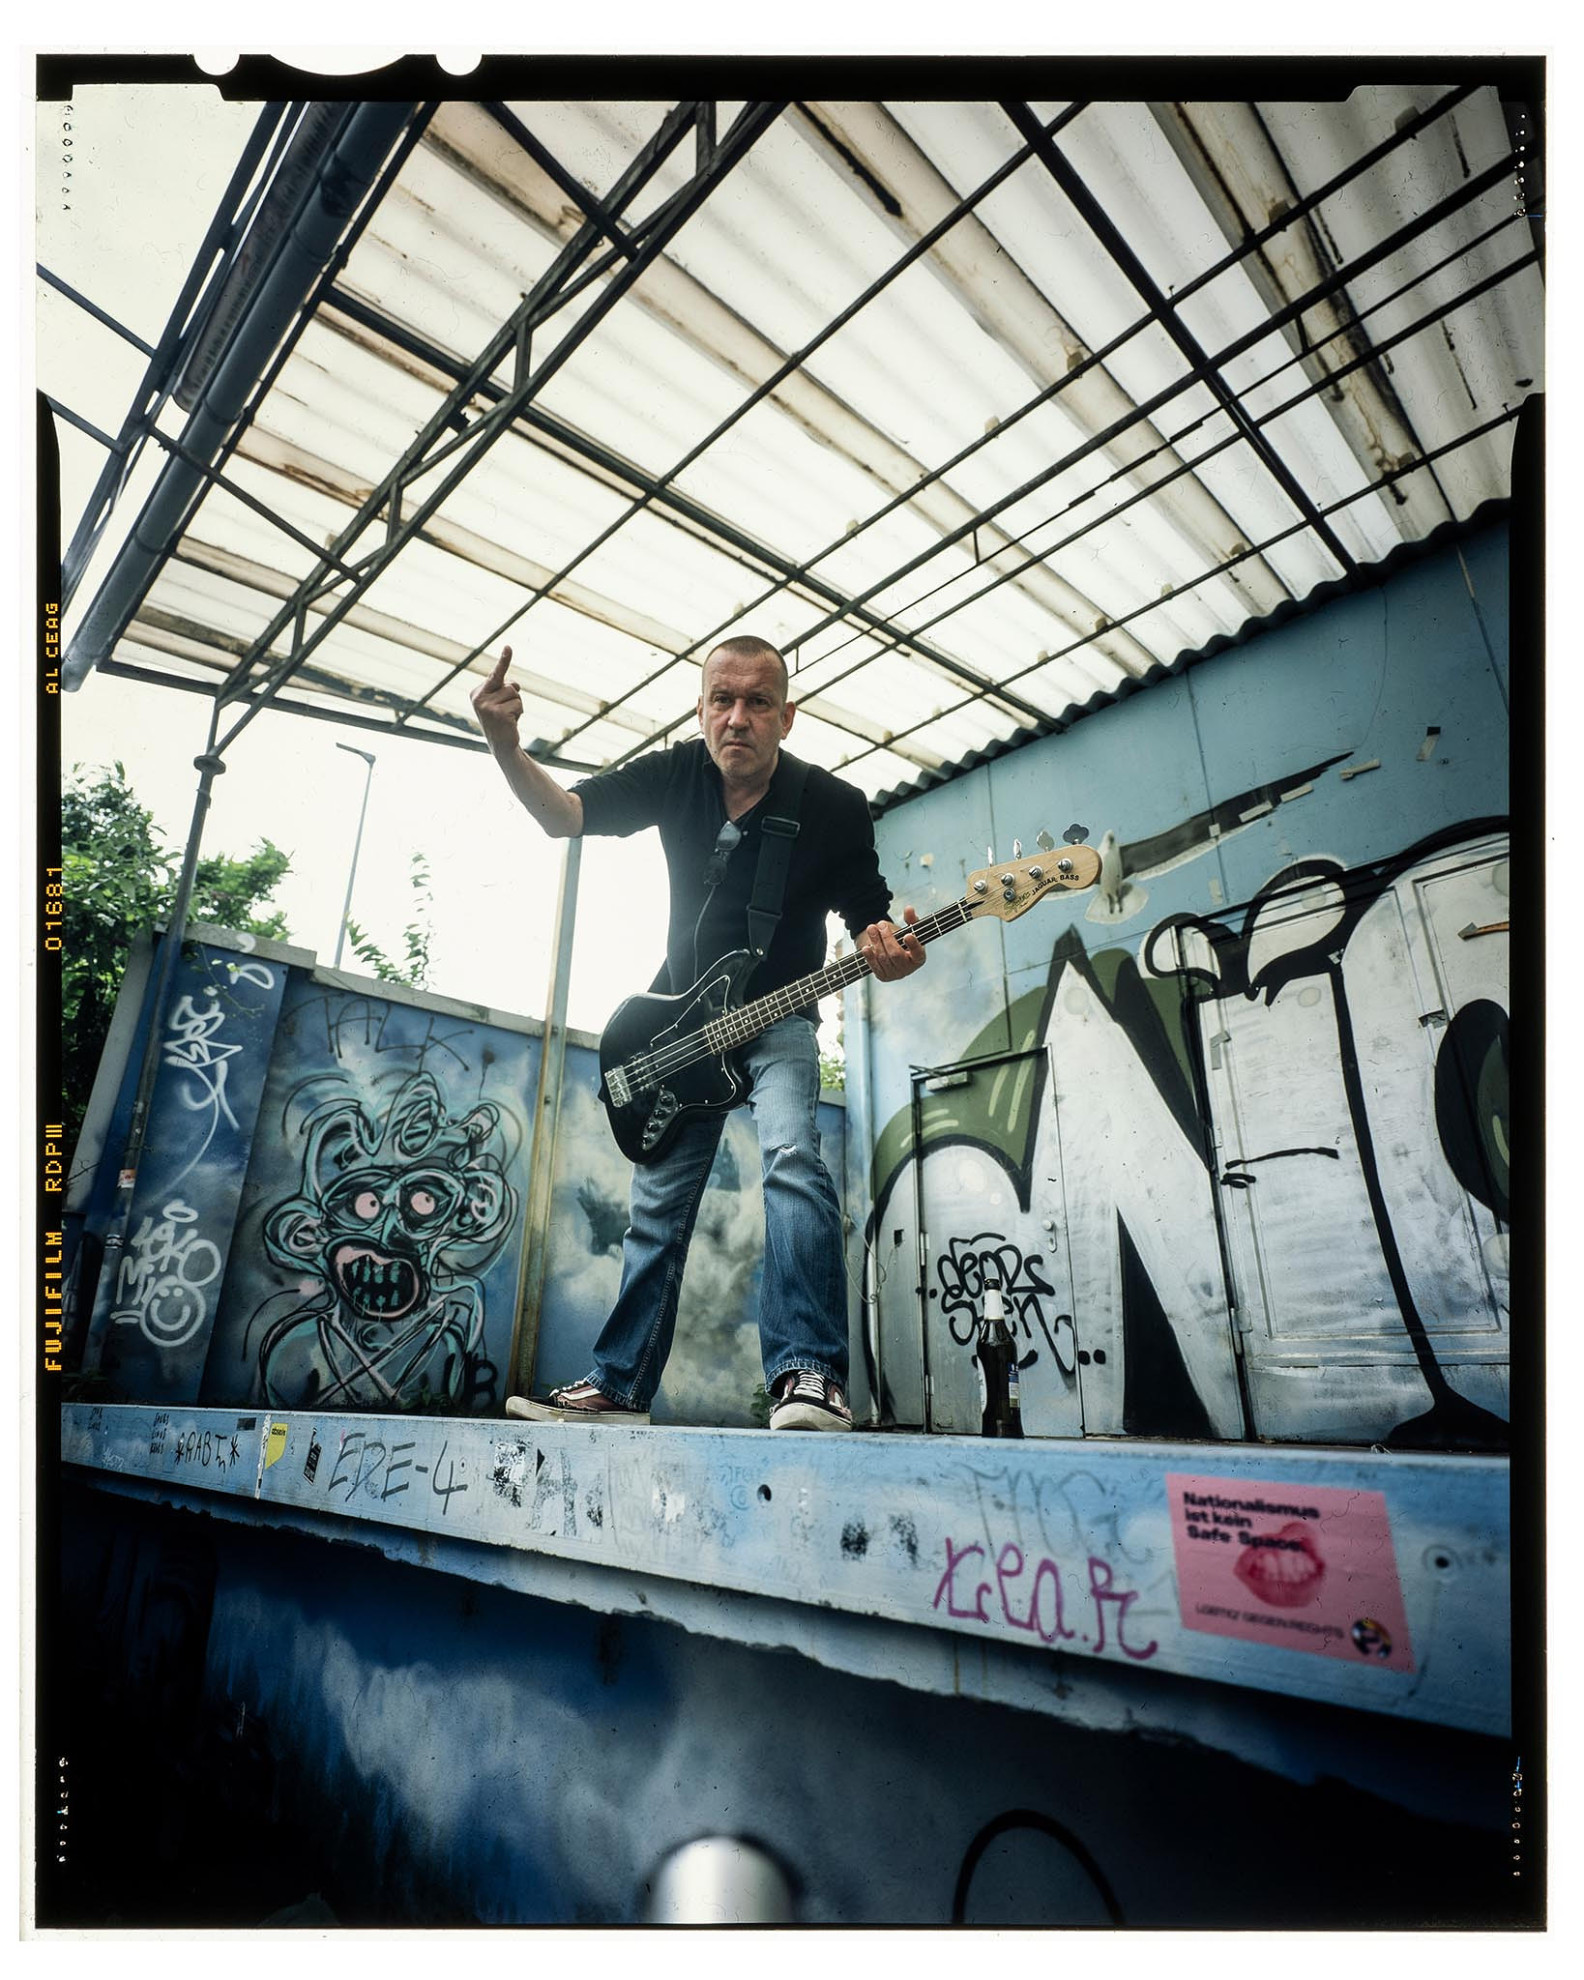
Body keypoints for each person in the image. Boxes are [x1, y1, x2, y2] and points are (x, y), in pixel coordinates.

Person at [471, 634, 925, 1431]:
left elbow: (869, 918)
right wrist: (505, 745)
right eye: (723, 699)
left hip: (780, 1015)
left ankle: (809, 1376)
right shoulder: (677, 773)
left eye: (758, 702)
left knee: (793, 1163)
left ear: (787, 717)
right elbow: (564, 816)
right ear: (702, 709)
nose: (737, 717)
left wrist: (890, 949)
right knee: (656, 1210)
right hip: (677, 1030)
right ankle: (620, 1387)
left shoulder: (834, 805)